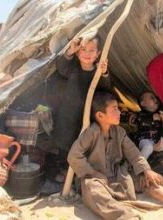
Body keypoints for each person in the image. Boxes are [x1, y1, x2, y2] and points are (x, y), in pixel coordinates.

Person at [67, 92, 163, 220]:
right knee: (93, 190)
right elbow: (74, 156)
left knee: (144, 179)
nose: (119, 112)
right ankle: (126, 216)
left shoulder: (119, 132)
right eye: (115, 109)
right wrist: (93, 173)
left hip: (117, 174)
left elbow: (134, 153)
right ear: (100, 115)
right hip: (95, 178)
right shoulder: (91, 133)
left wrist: (146, 170)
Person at [53, 36, 109, 182]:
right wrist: (70, 52)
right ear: (78, 52)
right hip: (68, 113)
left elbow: (106, 89)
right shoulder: (72, 68)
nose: (87, 53)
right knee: (65, 141)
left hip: (86, 114)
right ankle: (65, 169)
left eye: (92, 50)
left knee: (83, 142)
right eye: (83, 49)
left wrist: (104, 74)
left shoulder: (97, 71)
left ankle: (80, 171)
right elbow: (61, 66)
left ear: (98, 53)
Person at [130, 92, 163, 159]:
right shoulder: (140, 114)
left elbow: (162, 127)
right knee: (148, 147)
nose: (155, 99)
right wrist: (151, 119)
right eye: (152, 97)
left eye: (155, 97)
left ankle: (155, 147)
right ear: (143, 103)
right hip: (144, 139)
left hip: (156, 140)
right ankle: (139, 165)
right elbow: (137, 121)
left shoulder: (160, 113)